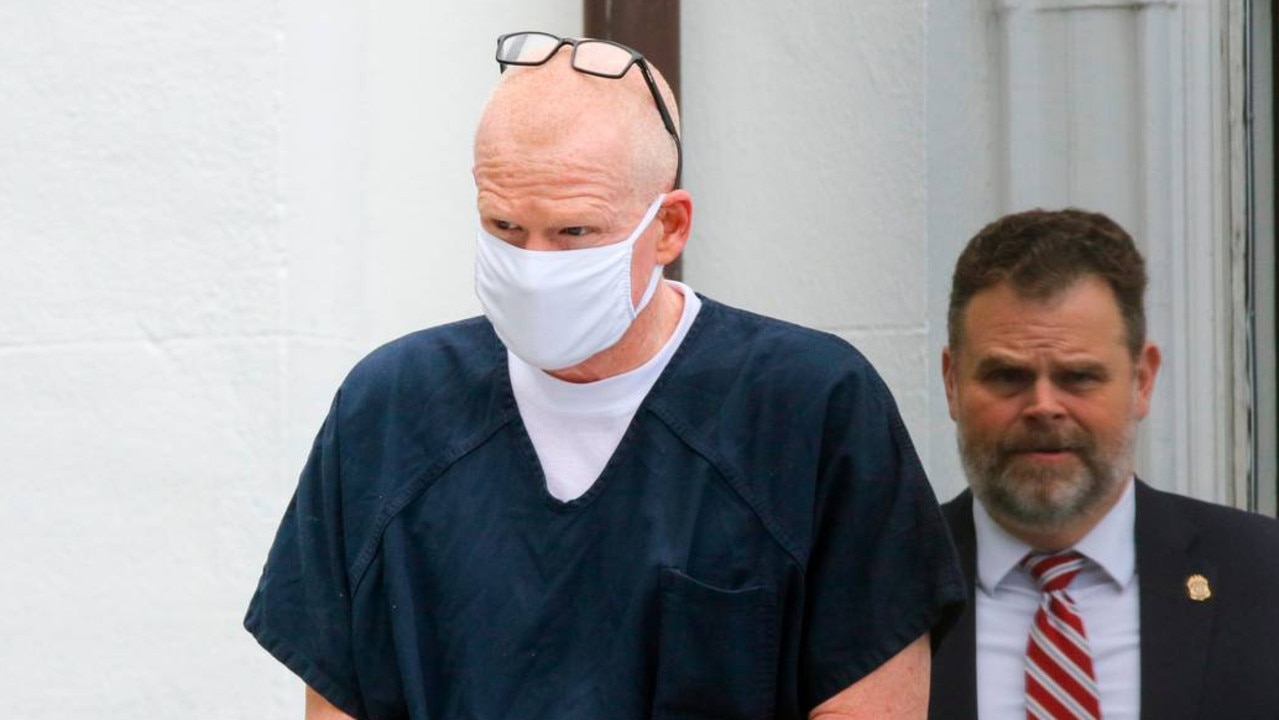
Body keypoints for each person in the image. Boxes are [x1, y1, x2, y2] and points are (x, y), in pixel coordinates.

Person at [245, 32, 964, 720]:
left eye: (573, 234)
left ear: (669, 228)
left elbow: (869, 701)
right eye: (502, 227)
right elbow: (338, 700)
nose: (532, 266)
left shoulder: (806, 409)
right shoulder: (392, 410)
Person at [929, 208, 1279, 719]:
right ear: (953, 382)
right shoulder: (879, 587)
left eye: (1078, 377)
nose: (1043, 406)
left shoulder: (1262, 577)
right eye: (1007, 376)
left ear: (1142, 380)